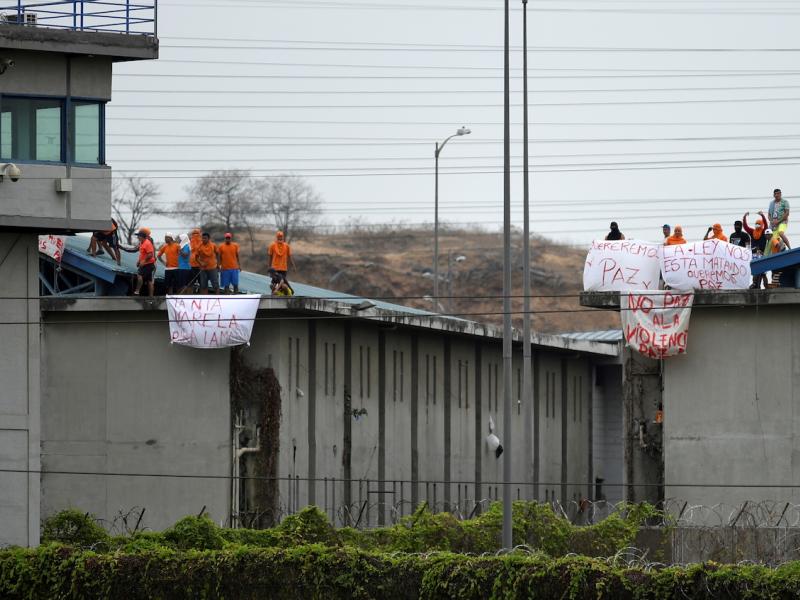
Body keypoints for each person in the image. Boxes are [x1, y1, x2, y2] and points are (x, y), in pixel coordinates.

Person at [133, 228, 155, 296]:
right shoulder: (141, 243)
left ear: (142, 236)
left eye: (138, 236)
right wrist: (139, 261)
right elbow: (142, 254)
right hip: (146, 263)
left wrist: (143, 261)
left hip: (148, 264)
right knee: (149, 280)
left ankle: (137, 291)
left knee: (139, 275)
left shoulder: (147, 243)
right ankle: (151, 296)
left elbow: (150, 254)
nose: (137, 237)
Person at [188, 228, 203, 292]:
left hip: (198, 265)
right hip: (194, 265)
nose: (195, 235)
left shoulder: (190, 242)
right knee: (195, 282)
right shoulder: (190, 243)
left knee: (197, 282)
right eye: (194, 233)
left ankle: (197, 293)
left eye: (197, 233)